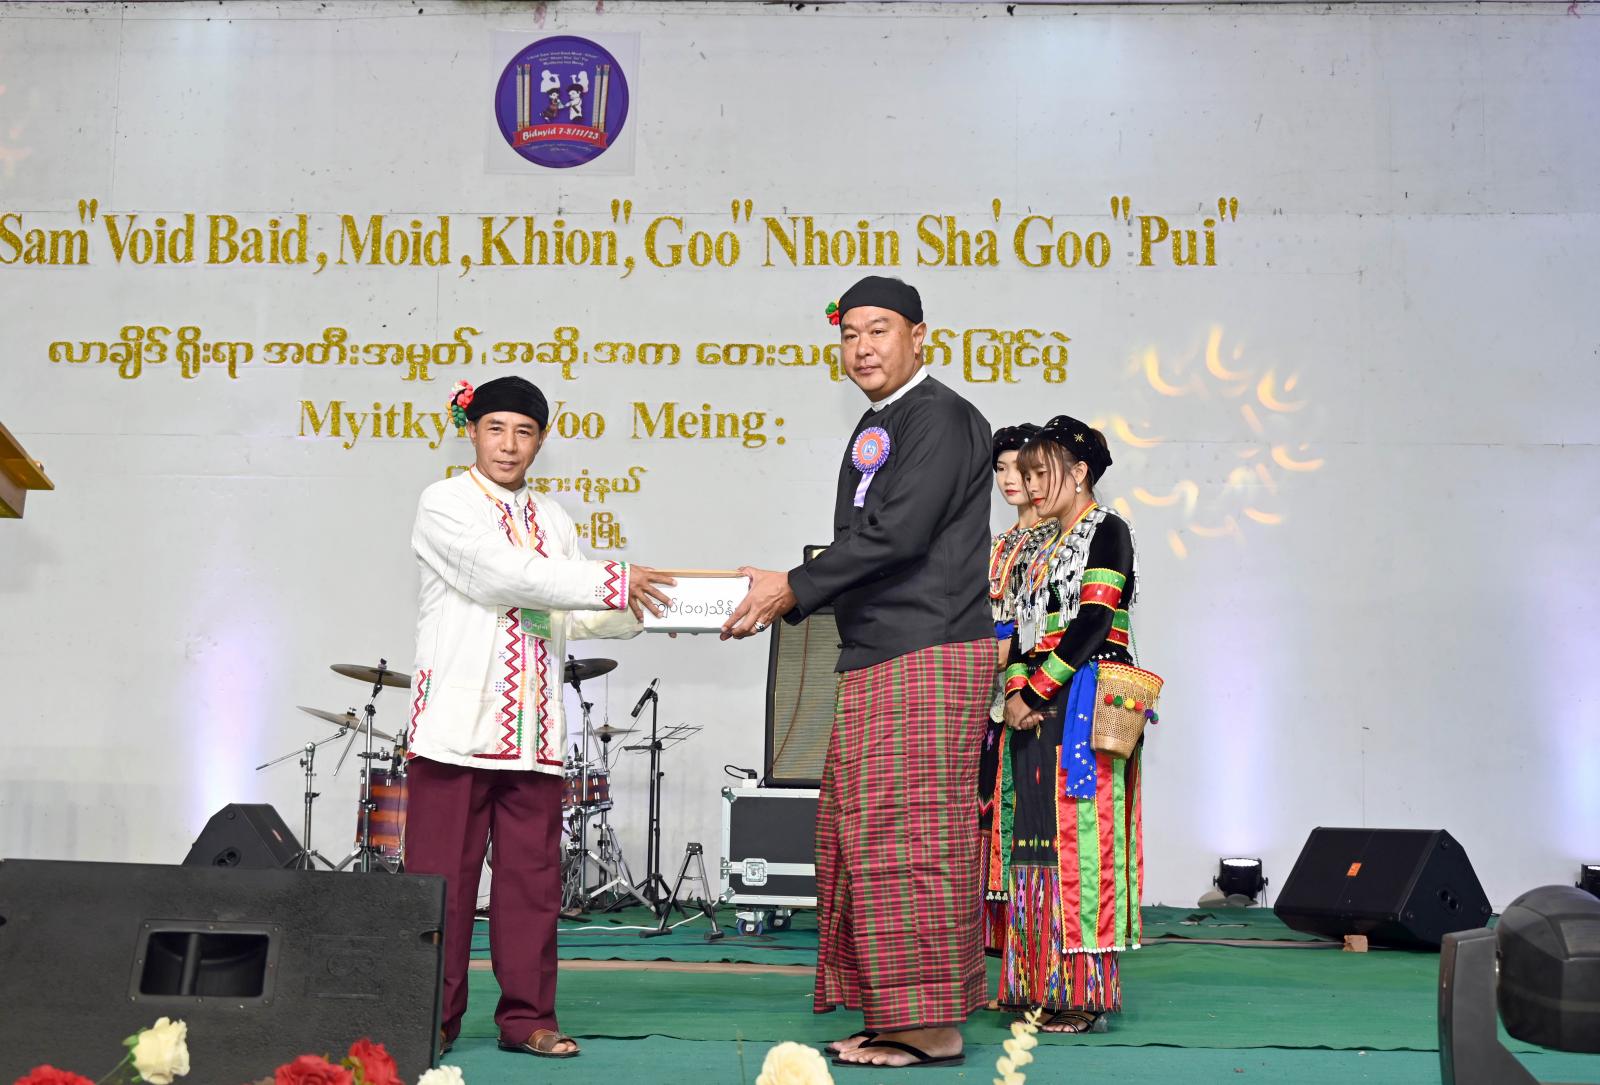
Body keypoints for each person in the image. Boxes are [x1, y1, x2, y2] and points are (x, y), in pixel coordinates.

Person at [722, 276, 994, 1070]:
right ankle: (894, 1014)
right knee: (866, 836)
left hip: (928, 649)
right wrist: (791, 587)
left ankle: (932, 1024)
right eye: (850, 334)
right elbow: (875, 536)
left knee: (915, 838)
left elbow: (899, 533)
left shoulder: (939, 415)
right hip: (883, 652)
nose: (863, 347)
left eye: (880, 330)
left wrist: (793, 586)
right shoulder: (883, 422)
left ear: (919, 336)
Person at [404, 375, 675, 1059]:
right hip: (454, 734)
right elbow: (500, 574)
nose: (508, 444)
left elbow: (570, 611)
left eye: (523, 432)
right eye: (495, 428)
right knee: (441, 888)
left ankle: (528, 1019)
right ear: (471, 432)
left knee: (533, 887)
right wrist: (615, 579)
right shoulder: (445, 503)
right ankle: (427, 1020)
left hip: (534, 738)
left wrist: (650, 609)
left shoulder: (553, 519)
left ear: (541, 440)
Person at [989, 415, 1143, 1034]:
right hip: (1035, 704)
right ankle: (1036, 984)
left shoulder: (1108, 531)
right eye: (1025, 474)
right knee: (1033, 840)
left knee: (1081, 842)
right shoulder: (1037, 545)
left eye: (1041, 472)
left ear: (1079, 473)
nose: (1030, 484)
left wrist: (1036, 690)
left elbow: (1094, 623)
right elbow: (1018, 631)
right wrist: (1015, 691)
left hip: (1086, 699)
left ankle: (1083, 993)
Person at [980, 423, 1041, 956]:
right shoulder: (998, 546)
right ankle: (990, 935)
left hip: (1039, 694)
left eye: (1019, 468)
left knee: (1029, 812)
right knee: (988, 806)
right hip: (990, 696)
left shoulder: (1060, 540)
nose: (1008, 479)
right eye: (1000, 468)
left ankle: (1034, 934)